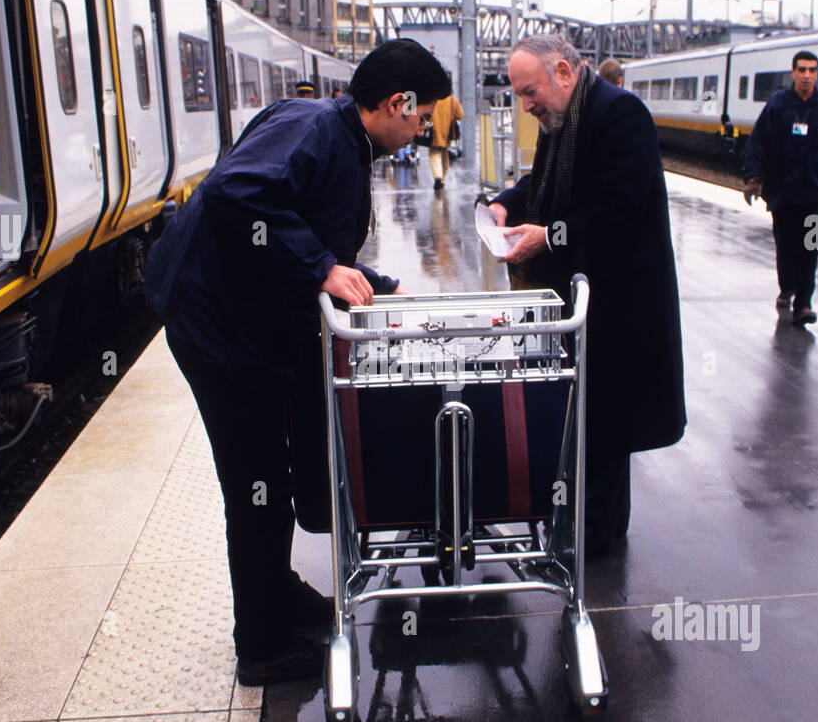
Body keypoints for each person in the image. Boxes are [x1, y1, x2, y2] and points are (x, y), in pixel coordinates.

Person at [144, 39, 451, 685]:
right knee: (257, 487)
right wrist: (321, 267)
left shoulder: (326, 126)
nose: (423, 130)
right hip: (219, 331)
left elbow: (299, 227)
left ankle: (275, 592)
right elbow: (235, 194)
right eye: (422, 117)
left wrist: (376, 283)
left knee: (269, 483)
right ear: (398, 102)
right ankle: (262, 646)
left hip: (227, 317)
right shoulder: (321, 132)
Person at [489, 34, 685, 558]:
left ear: (563, 72)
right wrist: (506, 204)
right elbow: (544, 182)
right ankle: (578, 528)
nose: (526, 105)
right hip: (582, 297)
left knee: (605, 424)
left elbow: (619, 207)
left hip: (619, 302)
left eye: (530, 92)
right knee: (580, 415)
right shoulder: (565, 118)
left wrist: (547, 236)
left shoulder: (622, 116)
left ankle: (595, 543)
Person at [741, 50, 818, 326]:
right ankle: (787, 287)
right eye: (802, 70)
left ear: (817, 74)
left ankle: (804, 304)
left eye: (812, 70)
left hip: (814, 191)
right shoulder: (778, 105)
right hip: (782, 190)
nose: (807, 75)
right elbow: (758, 142)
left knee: (809, 246)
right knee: (786, 244)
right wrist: (752, 178)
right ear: (793, 72)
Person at [427, 91, 463, 189]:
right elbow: (460, 115)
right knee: (444, 155)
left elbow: (425, 115)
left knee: (435, 154)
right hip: (447, 134)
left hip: (434, 132)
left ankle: (438, 177)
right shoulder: (452, 101)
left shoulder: (431, 100)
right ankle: (442, 179)